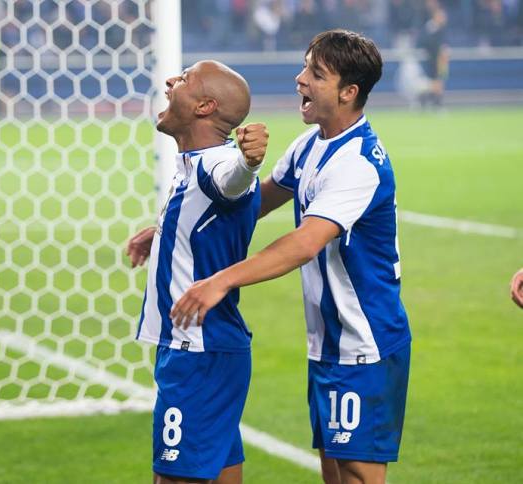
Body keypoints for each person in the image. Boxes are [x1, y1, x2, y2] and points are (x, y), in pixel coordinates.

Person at [171, 30, 411, 484]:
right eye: (305, 67)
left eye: (316, 74)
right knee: (334, 471)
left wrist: (221, 280)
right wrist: (175, 227)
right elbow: (255, 203)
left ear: (348, 92)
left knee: (357, 474)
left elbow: (304, 243)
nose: (301, 79)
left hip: (365, 343)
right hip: (329, 342)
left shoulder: (357, 163)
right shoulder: (309, 145)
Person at [126, 60, 267, 484]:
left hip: (197, 352)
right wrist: (164, 233)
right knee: (221, 473)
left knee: (173, 478)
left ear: (205, 106)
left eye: (185, 78)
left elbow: (232, 181)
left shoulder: (216, 165)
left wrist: (249, 162)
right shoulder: (194, 164)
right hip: (207, 349)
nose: (171, 80)